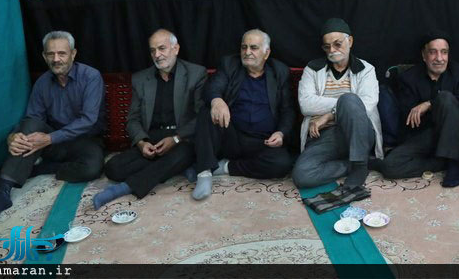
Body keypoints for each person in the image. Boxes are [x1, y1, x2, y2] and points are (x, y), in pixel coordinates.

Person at [0, 31, 105, 221]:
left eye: (62, 53)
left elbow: (88, 120)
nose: (56, 59)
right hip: (53, 144)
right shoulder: (42, 83)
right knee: (30, 125)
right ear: (44, 56)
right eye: (50, 54)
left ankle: (45, 168)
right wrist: (13, 136)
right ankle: (3, 191)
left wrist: (49, 138)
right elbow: (32, 119)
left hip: (84, 141)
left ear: (73, 54)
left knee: (92, 168)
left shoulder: (91, 76)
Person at [93, 29, 206, 209]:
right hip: (153, 138)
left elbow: (202, 116)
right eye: (153, 50)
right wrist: (141, 143)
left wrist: (176, 139)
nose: (157, 55)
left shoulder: (196, 74)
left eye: (162, 48)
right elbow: (133, 119)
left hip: (182, 138)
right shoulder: (140, 79)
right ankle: (179, 167)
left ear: (176, 48)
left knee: (184, 153)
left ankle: (125, 188)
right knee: (113, 168)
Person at [191, 29, 296, 200]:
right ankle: (204, 173)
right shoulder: (229, 64)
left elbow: (287, 110)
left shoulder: (279, 71)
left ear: (266, 53)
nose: (247, 52)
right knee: (207, 111)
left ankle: (225, 167)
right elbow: (213, 86)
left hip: (261, 141)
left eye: (253, 48)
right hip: (230, 135)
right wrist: (217, 101)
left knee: (282, 163)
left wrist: (281, 133)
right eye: (244, 47)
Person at [291, 18, 382, 191]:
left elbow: (368, 104)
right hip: (325, 136)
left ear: (350, 41)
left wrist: (330, 115)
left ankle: (359, 167)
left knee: (350, 100)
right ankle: (357, 163)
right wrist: (344, 108)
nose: (332, 50)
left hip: (360, 132)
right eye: (327, 46)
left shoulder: (366, 69)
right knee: (302, 175)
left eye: (337, 44)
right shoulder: (312, 69)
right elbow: (306, 104)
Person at [374, 33, 459, 187]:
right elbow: (411, 119)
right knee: (390, 166)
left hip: (457, 134)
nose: (439, 58)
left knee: (445, 98)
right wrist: (451, 113)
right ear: (424, 55)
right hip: (427, 135)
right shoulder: (408, 78)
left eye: (444, 52)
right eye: (433, 52)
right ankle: (444, 161)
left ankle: (454, 163)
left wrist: (429, 104)